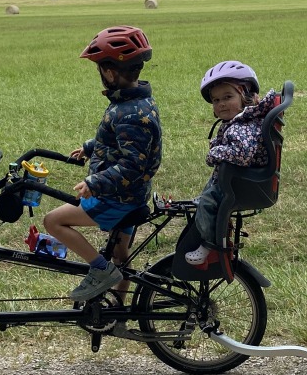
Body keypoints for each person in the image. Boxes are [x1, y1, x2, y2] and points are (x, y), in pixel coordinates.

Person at [43, 26, 161, 301]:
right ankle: (118, 309)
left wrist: (95, 182)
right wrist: (90, 148)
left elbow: (133, 163)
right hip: (131, 195)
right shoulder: (136, 102)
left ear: (109, 72)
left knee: (53, 221)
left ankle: (100, 270)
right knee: (121, 256)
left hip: (117, 198)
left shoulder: (129, 113)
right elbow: (122, 143)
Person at [184, 61, 279, 267]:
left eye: (228, 97)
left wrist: (214, 153)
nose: (221, 104)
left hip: (238, 183)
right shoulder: (241, 121)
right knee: (204, 199)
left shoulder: (241, 127)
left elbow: (242, 154)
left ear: (245, 97)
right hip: (234, 179)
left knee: (206, 203)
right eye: (216, 100)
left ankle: (210, 245)